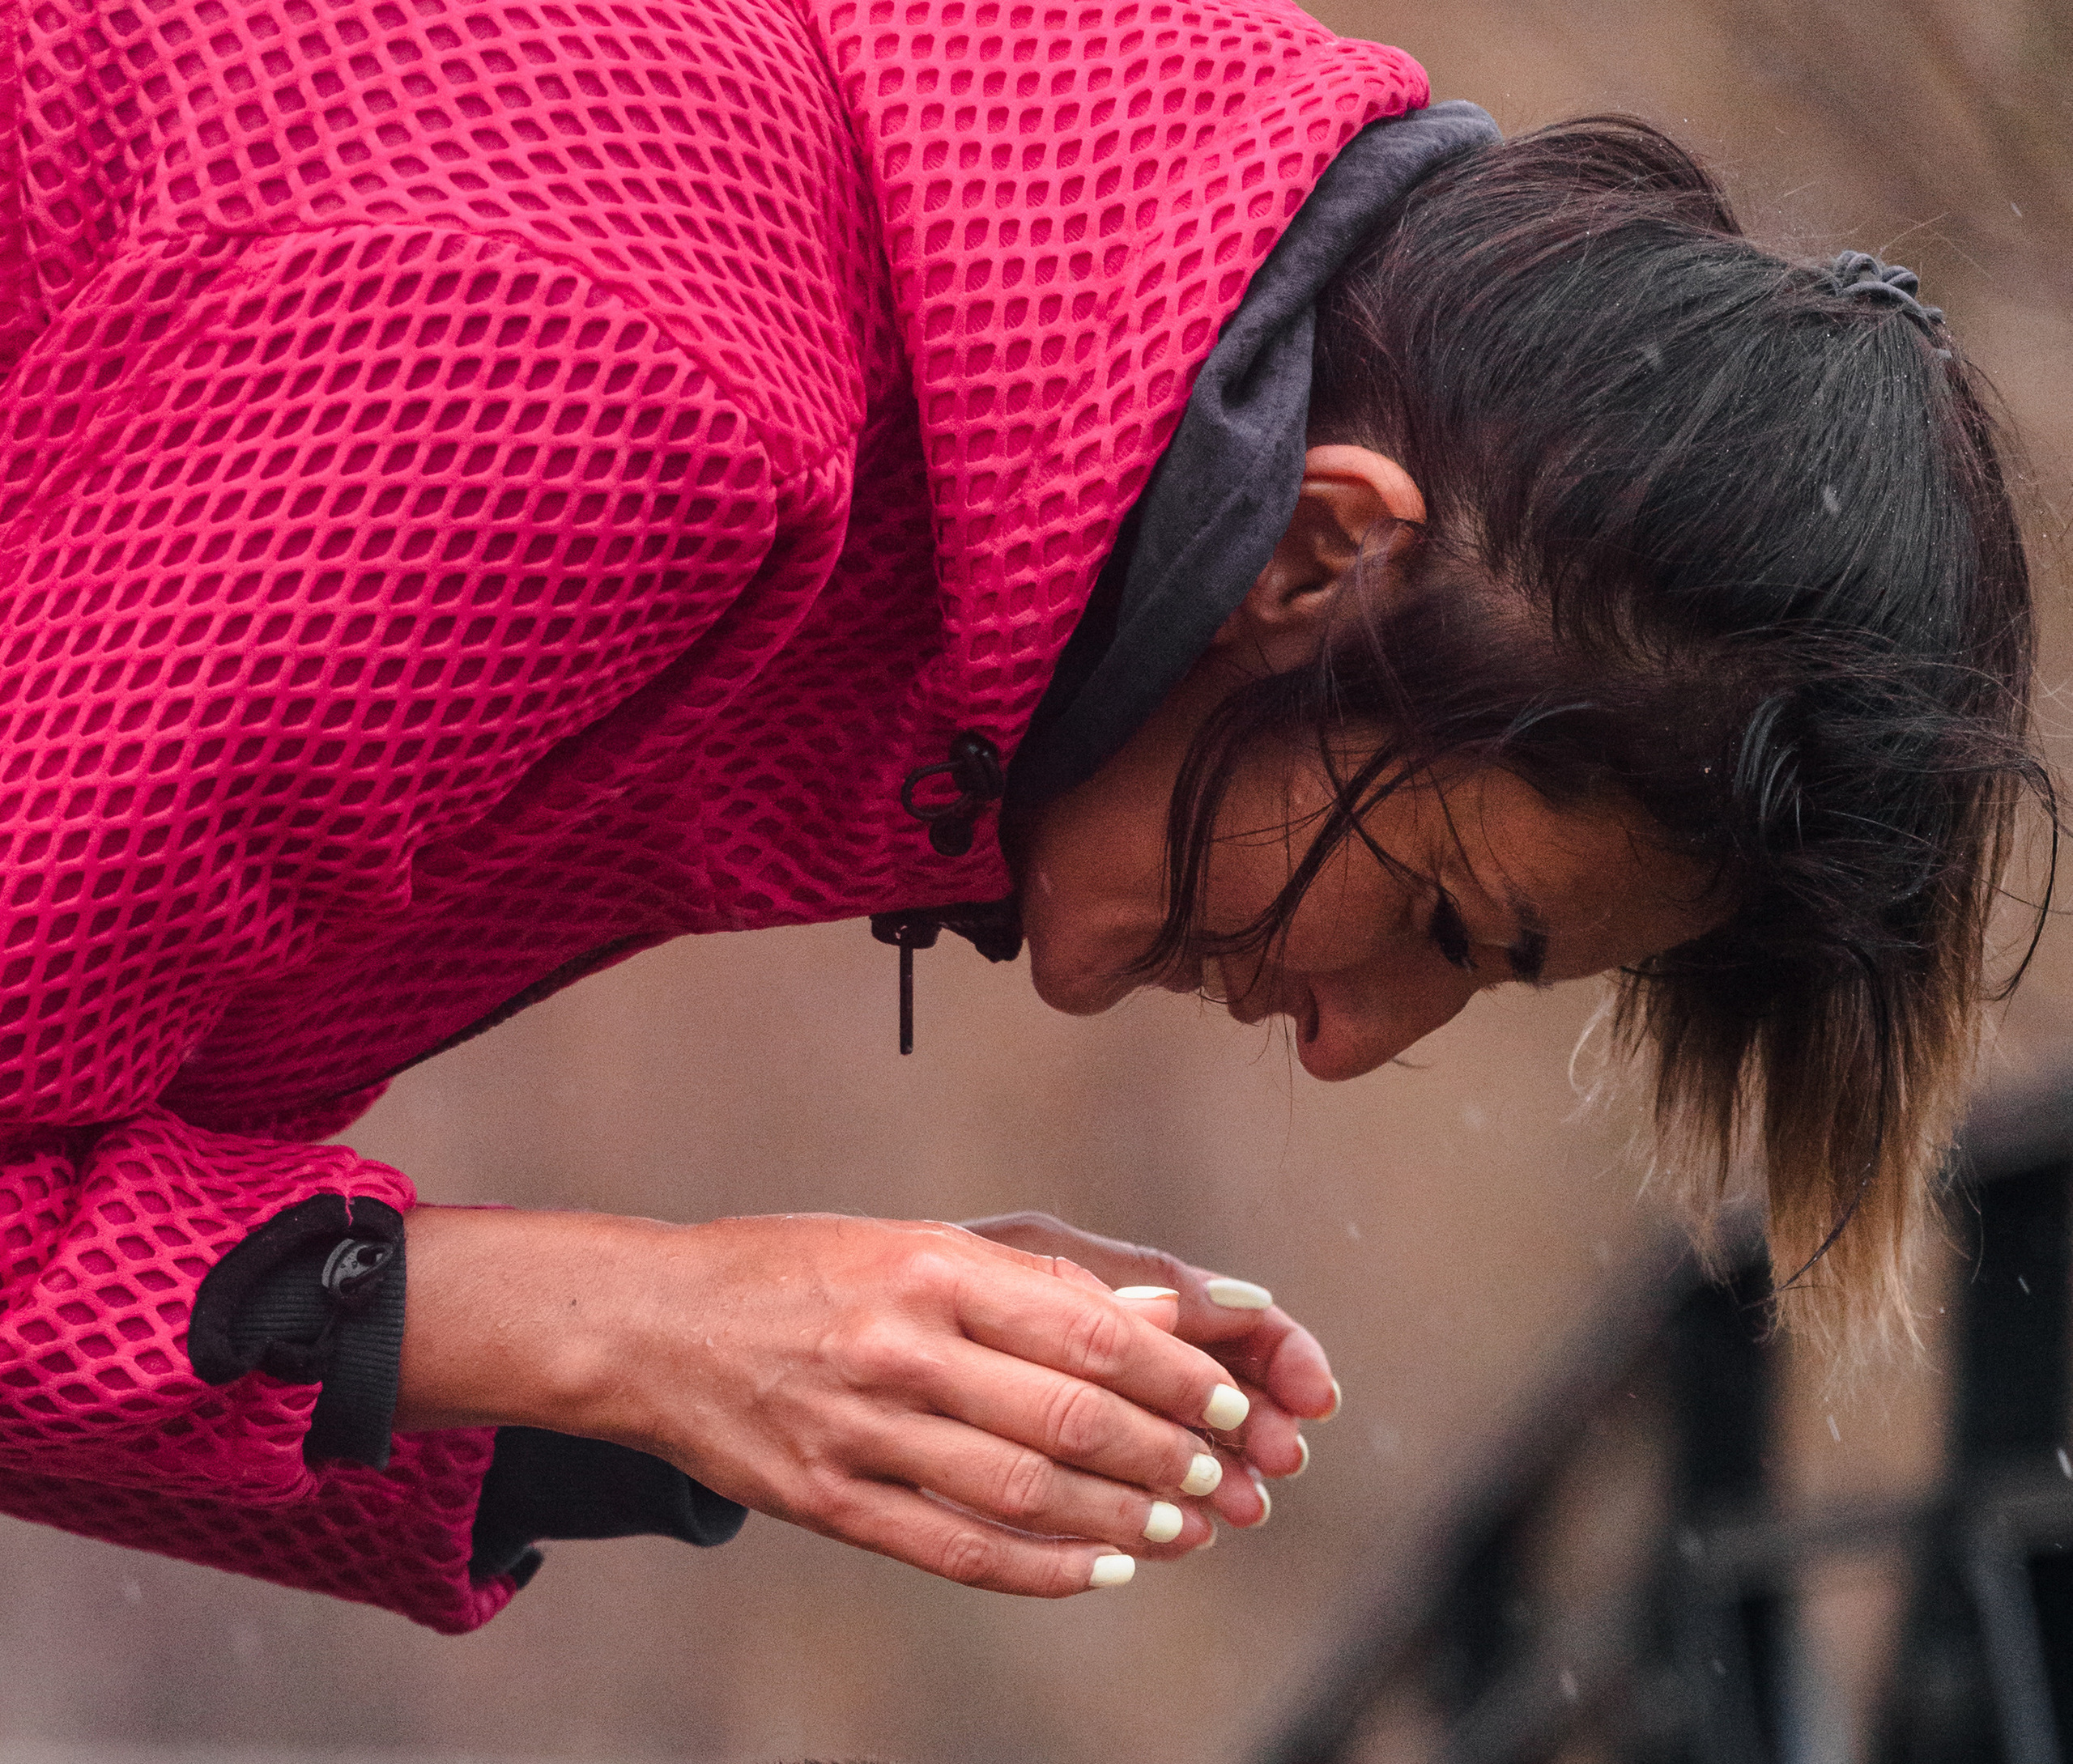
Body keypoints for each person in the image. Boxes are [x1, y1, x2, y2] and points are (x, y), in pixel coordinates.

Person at [0, 0, 2045, 1634]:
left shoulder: (863, 442)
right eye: (1439, 918)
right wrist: (642, 1317)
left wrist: (718, 1390)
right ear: (1323, 549)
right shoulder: (629, 378)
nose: (1351, 1038)